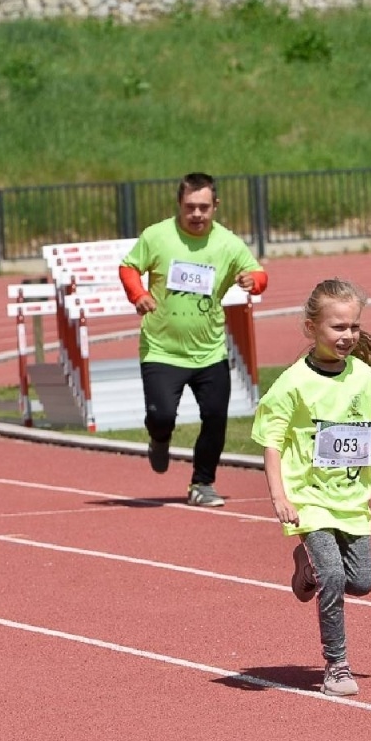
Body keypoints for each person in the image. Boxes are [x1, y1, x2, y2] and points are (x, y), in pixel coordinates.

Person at [251, 279, 371, 697]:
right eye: (338, 328)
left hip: (352, 499)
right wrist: (279, 497)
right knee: (335, 577)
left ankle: (306, 567)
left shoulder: (363, 377)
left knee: (362, 582)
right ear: (311, 328)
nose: (348, 336)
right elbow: (271, 442)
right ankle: (337, 666)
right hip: (310, 500)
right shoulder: (292, 383)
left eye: (354, 327)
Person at [119, 172, 268, 508]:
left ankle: (202, 483)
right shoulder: (157, 236)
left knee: (215, 417)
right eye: (190, 207)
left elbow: (259, 274)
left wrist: (253, 281)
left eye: (204, 207)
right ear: (179, 205)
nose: (197, 214)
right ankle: (159, 438)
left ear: (215, 206)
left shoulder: (228, 243)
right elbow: (129, 267)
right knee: (161, 416)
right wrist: (138, 294)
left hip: (209, 351)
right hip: (161, 349)